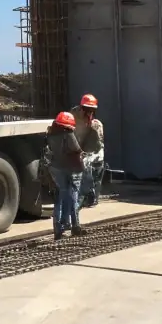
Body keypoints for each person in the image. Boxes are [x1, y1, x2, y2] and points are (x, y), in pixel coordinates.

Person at [46, 111, 85, 239]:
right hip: (69, 168)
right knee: (73, 195)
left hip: (55, 169)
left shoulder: (51, 133)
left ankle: (58, 229)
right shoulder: (68, 134)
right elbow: (76, 149)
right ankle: (75, 226)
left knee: (60, 197)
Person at [71, 94, 106, 207]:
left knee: (95, 173)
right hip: (78, 150)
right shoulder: (74, 117)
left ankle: (92, 199)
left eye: (92, 110)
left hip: (91, 152)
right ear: (82, 108)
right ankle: (83, 198)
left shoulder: (95, 124)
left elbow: (98, 144)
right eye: (88, 110)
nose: (90, 112)